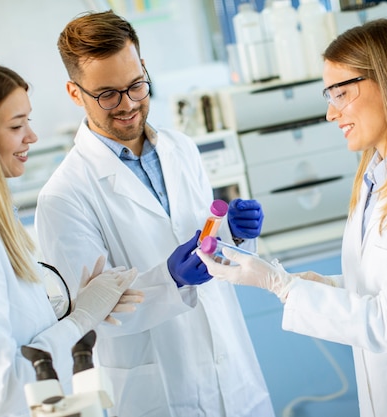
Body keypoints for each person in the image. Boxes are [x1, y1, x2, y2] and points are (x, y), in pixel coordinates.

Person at [197, 18, 387, 417]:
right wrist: (323, 285)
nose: (330, 113)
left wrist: (283, 286)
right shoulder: (375, 178)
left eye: (341, 93)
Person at [34, 10, 274, 417]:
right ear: (75, 94)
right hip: (159, 388)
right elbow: (90, 316)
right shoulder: (64, 196)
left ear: (144, 67)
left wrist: (231, 235)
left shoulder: (181, 149)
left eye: (136, 86)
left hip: (233, 371)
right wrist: (170, 279)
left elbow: (205, 244)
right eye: (107, 94)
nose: (127, 105)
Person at [0, 57, 143, 417]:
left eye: (29, 121)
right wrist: (80, 320)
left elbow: (13, 328)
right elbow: (1, 390)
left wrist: (74, 307)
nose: (32, 136)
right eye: (16, 125)